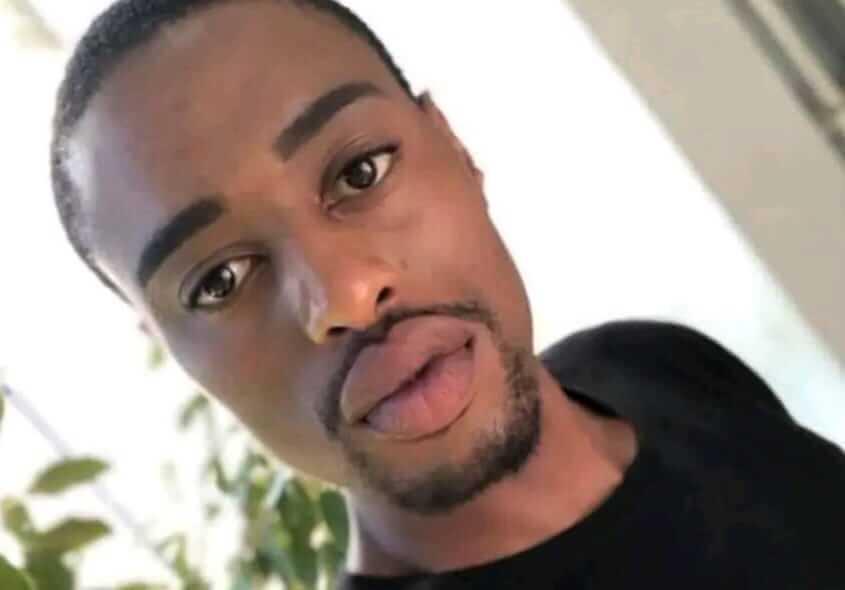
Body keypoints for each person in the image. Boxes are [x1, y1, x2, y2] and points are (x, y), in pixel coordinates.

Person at [50, 0, 845, 588]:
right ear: (175, 354)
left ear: (454, 148)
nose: (347, 293)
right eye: (219, 280)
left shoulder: (654, 366)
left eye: (360, 172)